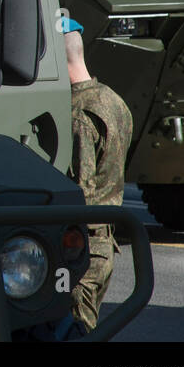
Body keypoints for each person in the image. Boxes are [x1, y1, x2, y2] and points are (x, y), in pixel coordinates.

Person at [61, 17, 133, 334]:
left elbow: (81, 192)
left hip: (82, 250)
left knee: (76, 330)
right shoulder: (113, 100)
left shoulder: (77, 112)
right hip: (104, 244)